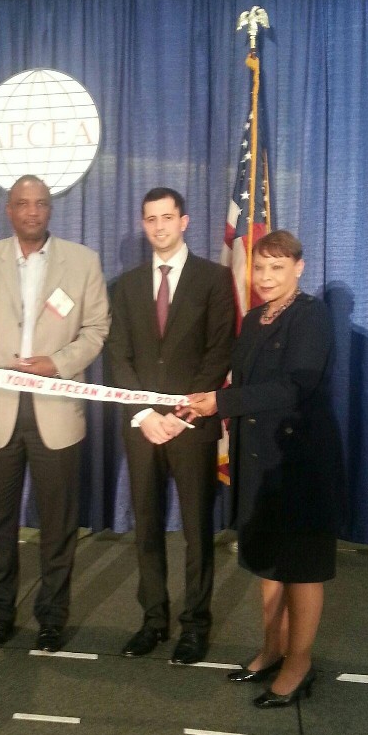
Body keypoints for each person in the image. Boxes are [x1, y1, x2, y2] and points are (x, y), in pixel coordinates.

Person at [177, 230, 343, 708]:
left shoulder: (312, 316)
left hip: (300, 464)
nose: (266, 277)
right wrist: (186, 402)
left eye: (278, 267)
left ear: (299, 268)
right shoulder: (252, 319)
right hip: (258, 459)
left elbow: (295, 387)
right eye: (260, 267)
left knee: (303, 569)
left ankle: (299, 664)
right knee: (268, 561)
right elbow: (230, 376)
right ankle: (272, 649)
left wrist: (220, 402)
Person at [0, 174, 109, 653]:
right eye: (22, 203)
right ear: (9, 209)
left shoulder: (83, 262)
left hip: (57, 408)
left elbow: (96, 328)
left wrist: (59, 363)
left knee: (58, 523)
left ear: (50, 209)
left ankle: (51, 617)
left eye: (40, 203)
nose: (31, 211)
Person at [107, 187, 234, 664]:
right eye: (150, 219)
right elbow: (118, 354)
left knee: (197, 529)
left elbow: (219, 351)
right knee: (147, 525)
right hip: (142, 427)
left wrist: (180, 416)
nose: (158, 226)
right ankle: (153, 620)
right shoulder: (124, 285)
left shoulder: (215, 279)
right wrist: (143, 414)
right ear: (144, 225)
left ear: (184, 221)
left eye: (167, 217)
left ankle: (195, 625)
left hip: (192, 425)